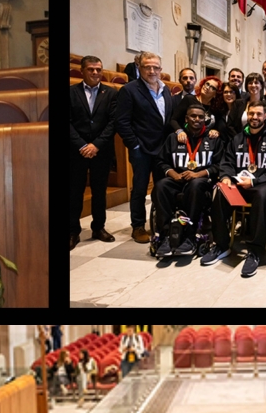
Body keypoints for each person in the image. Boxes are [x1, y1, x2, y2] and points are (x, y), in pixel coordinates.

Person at [205, 99, 266, 276]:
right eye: (251, 113)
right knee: (220, 191)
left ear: (265, 116)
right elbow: (227, 161)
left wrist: (254, 181)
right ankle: (221, 245)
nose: (254, 117)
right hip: (240, 184)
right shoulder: (238, 138)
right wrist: (226, 177)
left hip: (263, 185)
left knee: (263, 195)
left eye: (258, 114)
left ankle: (255, 251)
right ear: (247, 115)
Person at [115, 51, 175, 243]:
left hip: (162, 150)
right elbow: (122, 122)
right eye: (147, 67)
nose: (151, 71)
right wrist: (134, 146)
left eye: (155, 67)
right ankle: (138, 226)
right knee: (140, 188)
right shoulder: (129, 90)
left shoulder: (166, 89)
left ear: (161, 70)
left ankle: (160, 222)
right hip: (141, 149)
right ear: (139, 68)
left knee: (161, 188)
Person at [153, 102, 223, 258]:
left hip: (202, 182)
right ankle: (164, 236)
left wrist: (198, 174)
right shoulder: (174, 138)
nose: (197, 119)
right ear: (186, 118)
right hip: (178, 178)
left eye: (200, 117)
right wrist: (173, 174)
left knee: (195, 185)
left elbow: (220, 165)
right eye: (193, 116)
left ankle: (190, 237)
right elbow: (161, 161)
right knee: (161, 186)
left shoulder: (213, 138)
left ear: (205, 119)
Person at [70, 55, 118, 249]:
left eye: (98, 69)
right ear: (82, 71)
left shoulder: (111, 93)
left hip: (101, 150)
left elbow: (113, 122)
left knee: (99, 191)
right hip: (75, 151)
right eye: (91, 69)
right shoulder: (71, 92)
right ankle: (73, 230)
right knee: (74, 192)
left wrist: (96, 145)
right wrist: (82, 145)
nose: (95, 73)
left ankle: (99, 227)